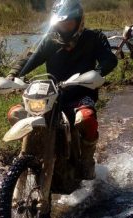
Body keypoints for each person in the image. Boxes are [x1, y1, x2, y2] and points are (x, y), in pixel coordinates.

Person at [6, 0, 118, 180]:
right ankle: (31, 153)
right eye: (61, 23)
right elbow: (29, 58)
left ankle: (87, 162)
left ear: (79, 21)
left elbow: (109, 60)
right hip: (51, 94)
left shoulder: (94, 38)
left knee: (87, 119)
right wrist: (12, 76)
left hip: (80, 93)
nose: (64, 27)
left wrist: (98, 73)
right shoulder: (50, 40)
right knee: (16, 113)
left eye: (69, 23)